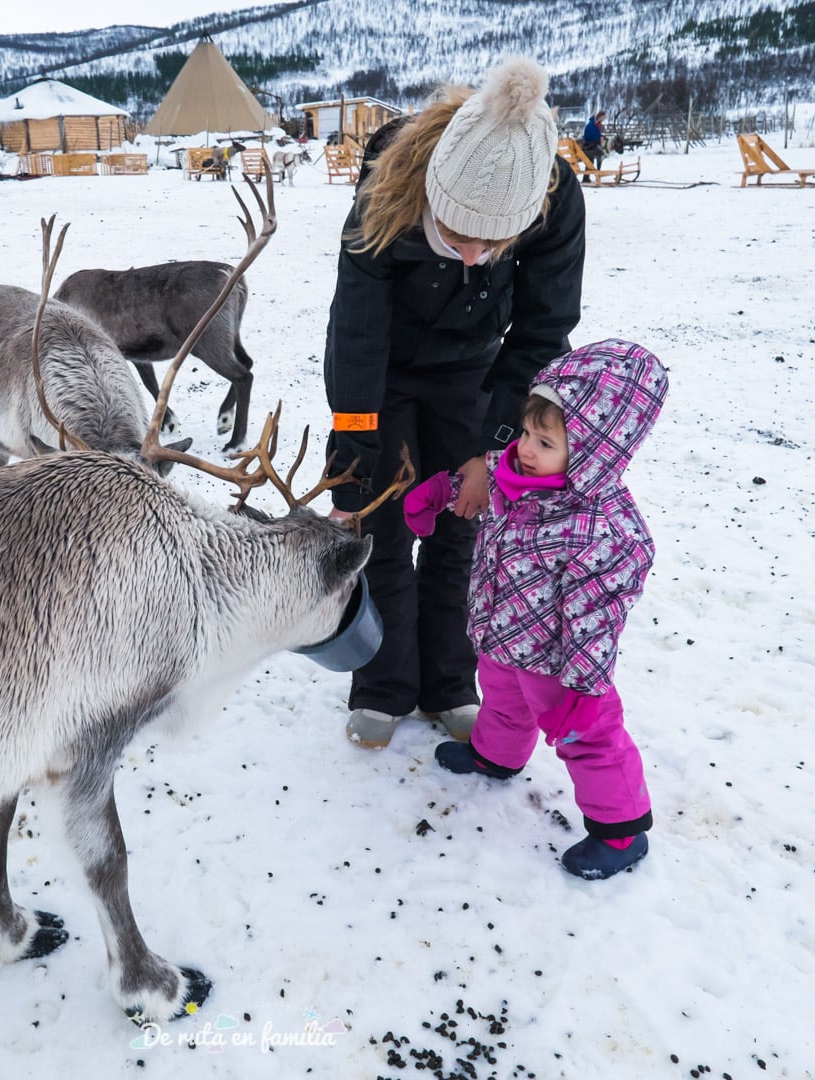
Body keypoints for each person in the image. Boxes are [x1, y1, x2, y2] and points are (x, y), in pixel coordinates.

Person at [321, 56, 585, 752]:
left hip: (477, 370)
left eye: (491, 245)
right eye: (457, 236)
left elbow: (542, 332)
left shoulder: (554, 197)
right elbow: (356, 333)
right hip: (384, 371)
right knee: (381, 522)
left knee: (460, 526)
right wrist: (352, 460)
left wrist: (491, 447)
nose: (473, 256)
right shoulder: (386, 195)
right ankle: (382, 686)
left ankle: (446, 682)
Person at [403, 340, 666, 879]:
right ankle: (496, 757)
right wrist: (441, 491)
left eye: (545, 441)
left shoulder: (604, 532)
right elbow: (485, 484)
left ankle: (621, 833)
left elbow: (596, 623)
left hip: (558, 666)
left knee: (588, 740)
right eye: (526, 432)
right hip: (501, 635)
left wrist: (583, 690)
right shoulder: (514, 479)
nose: (525, 447)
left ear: (596, 450)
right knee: (502, 702)